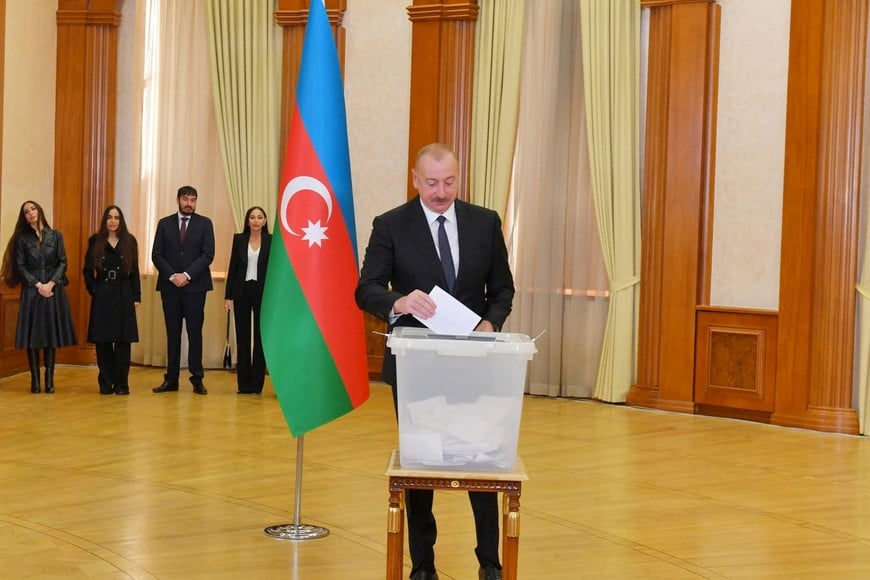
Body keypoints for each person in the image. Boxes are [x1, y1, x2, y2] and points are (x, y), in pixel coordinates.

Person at [355, 143, 515, 580]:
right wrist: (398, 300)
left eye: (449, 182)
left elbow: (503, 288)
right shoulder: (391, 225)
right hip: (416, 365)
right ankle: (423, 567)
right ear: (414, 178)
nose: (441, 192)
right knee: (420, 466)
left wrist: (490, 322)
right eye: (431, 183)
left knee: (478, 461)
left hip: (474, 362)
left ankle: (489, 564)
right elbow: (365, 288)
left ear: (458, 178)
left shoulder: (485, 222)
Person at [0, 200, 77, 394]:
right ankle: (35, 381)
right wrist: (38, 285)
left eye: (33, 209)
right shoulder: (21, 239)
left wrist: (50, 284)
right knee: (33, 336)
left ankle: (49, 380)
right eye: (26, 212)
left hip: (53, 288)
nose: (31, 213)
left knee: (50, 335)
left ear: (39, 211)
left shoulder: (56, 235)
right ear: (24, 217)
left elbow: (62, 262)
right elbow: (19, 266)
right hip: (32, 289)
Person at [151, 185, 215, 395]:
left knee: (195, 333)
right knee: (173, 333)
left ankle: (197, 379)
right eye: (186, 199)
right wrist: (172, 276)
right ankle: (171, 379)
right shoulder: (164, 223)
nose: (189, 203)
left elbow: (207, 255)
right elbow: (157, 254)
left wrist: (186, 275)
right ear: (178, 200)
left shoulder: (205, 224)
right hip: (170, 288)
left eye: (193, 199)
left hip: (195, 288)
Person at [83, 205, 141, 395]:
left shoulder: (129, 241)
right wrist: (93, 289)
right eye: (109, 217)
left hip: (124, 293)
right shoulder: (95, 241)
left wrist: (136, 296)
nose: (113, 221)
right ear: (104, 220)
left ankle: (122, 384)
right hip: (103, 294)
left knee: (123, 343)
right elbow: (87, 270)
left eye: (116, 217)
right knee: (103, 342)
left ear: (121, 220)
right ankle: (106, 383)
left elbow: (135, 271)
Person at [224, 206, 272, 394]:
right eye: (252, 217)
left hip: (263, 293)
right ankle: (243, 385)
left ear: (265, 221)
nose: (256, 221)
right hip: (241, 292)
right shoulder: (239, 239)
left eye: (260, 217)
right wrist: (228, 296)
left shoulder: (271, 241)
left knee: (260, 339)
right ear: (247, 220)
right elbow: (233, 267)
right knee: (243, 338)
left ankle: (256, 384)